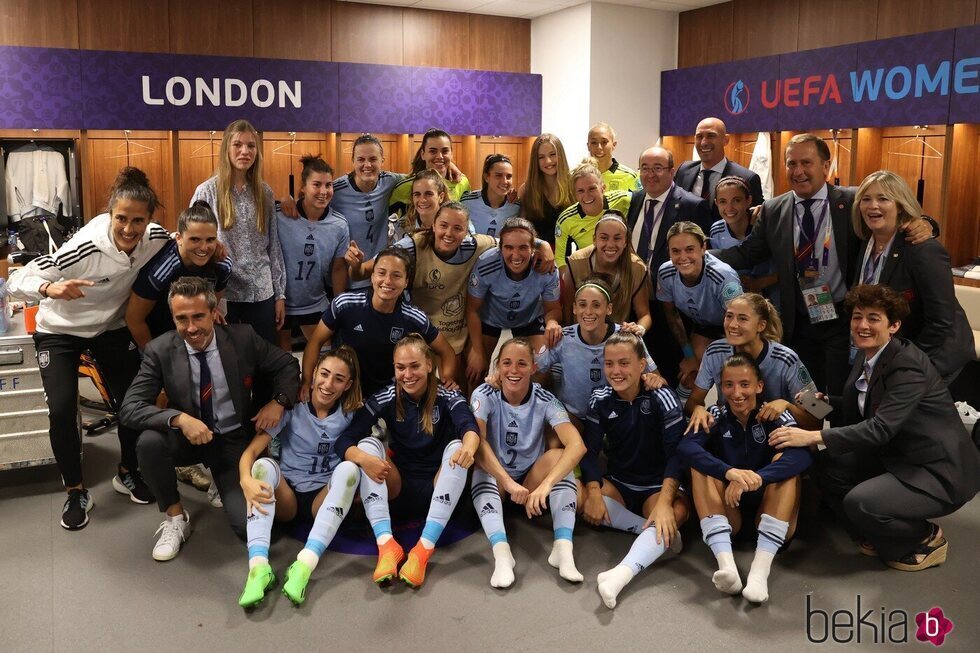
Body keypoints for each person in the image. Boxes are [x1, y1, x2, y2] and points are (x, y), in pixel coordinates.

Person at [770, 285, 980, 571]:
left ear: (894, 325)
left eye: (873, 318)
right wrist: (825, 401)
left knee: (862, 503)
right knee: (824, 466)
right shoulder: (870, 353)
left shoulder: (908, 367)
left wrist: (810, 435)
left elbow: (880, 428)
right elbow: (868, 403)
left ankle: (925, 537)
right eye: (858, 317)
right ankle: (875, 532)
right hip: (899, 454)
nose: (863, 325)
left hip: (939, 469)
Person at [6, 167, 171, 529]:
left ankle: (127, 472)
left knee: (134, 402)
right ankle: (76, 490)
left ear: (149, 220)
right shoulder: (83, 247)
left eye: (137, 221)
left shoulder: (156, 237)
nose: (129, 229)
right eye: (121, 219)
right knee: (63, 409)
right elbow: (15, 280)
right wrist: (50, 290)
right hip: (60, 330)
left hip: (109, 327)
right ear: (110, 214)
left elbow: (184, 239)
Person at [715, 133, 934, 398]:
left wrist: (928, 225)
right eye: (791, 163)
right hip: (798, 324)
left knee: (845, 394)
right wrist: (701, 255)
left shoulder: (853, 201)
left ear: (826, 166)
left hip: (842, 322)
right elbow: (748, 253)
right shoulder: (774, 209)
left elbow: (897, 214)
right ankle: (810, 435)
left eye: (806, 163)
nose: (798, 171)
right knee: (807, 397)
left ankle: (840, 436)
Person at [119, 277, 300, 560]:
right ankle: (176, 518)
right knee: (149, 442)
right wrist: (178, 418)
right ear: (173, 318)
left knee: (250, 529)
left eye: (198, 317)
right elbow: (129, 407)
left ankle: (222, 480)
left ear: (214, 313)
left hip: (232, 440)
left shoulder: (242, 338)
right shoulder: (160, 350)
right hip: (188, 437)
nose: (191, 328)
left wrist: (278, 403)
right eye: (182, 319)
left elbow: (287, 365)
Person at [337, 334, 481, 588]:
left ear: (429, 364)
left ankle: (422, 551)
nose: (407, 374)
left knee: (459, 446)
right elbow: (345, 439)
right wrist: (362, 459)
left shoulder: (448, 395)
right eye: (400, 367)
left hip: (440, 487)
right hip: (399, 489)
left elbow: (468, 425)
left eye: (414, 366)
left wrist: (469, 447)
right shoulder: (386, 397)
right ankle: (386, 545)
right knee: (366, 446)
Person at [678, 354, 812, 603]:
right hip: (731, 518)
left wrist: (757, 478)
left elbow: (802, 457)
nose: (736, 392)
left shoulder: (774, 414)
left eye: (744, 384)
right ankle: (727, 567)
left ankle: (759, 575)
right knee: (700, 466)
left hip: (772, 518)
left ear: (759, 386)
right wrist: (730, 473)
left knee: (785, 463)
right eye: (728, 385)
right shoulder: (714, 414)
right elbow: (686, 448)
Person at [236, 346, 362, 607]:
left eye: (338, 379)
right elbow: (251, 452)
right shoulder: (291, 409)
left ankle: (304, 566)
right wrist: (244, 480)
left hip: (323, 498)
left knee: (350, 470)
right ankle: (259, 568)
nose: (328, 384)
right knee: (263, 466)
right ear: (313, 373)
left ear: (348, 384)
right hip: (288, 497)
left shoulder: (351, 415)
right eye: (324, 374)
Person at [579, 331, 689, 609]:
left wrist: (664, 503)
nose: (616, 371)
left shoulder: (663, 397)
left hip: (657, 485)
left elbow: (677, 455)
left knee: (676, 513)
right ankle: (649, 532)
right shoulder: (600, 398)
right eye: (609, 364)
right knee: (576, 497)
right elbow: (589, 452)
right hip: (619, 484)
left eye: (624, 363)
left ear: (642, 366)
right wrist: (593, 492)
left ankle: (620, 575)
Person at [470, 337, 587, 587]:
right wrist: (507, 482)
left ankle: (563, 549)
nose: (513, 371)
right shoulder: (484, 394)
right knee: (480, 464)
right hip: (499, 481)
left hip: (530, 482)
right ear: (498, 367)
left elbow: (577, 445)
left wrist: (545, 486)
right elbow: (478, 442)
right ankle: (502, 555)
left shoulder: (545, 399)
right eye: (507, 363)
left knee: (558, 457)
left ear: (534, 368)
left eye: (522, 364)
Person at [851, 170, 973, 383]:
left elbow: (942, 322)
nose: (873, 206)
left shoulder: (923, 249)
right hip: (888, 356)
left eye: (883, 198)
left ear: (900, 206)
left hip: (932, 359)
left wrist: (904, 360)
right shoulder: (866, 245)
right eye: (866, 199)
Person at [303, 246, 457, 399]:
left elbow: (446, 351)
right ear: (372, 276)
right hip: (344, 389)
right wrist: (307, 381)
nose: (387, 281)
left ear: (406, 282)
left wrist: (447, 379)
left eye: (396, 275)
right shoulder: (345, 304)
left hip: (388, 395)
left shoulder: (414, 317)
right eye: (381, 273)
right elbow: (315, 342)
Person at [190, 119, 285, 344]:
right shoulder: (206, 192)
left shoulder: (265, 192)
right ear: (226, 149)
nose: (245, 151)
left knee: (263, 358)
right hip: (225, 294)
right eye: (238, 145)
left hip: (261, 292)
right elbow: (191, 246)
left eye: (251, 146)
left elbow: (274, 247)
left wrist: (280, 295)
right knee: (228, 362)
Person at [625, 146, 711, 387]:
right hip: (638, 303)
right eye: (645, 168)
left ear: (672, 171)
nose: (651, 174)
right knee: (638, 371)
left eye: (658, 168)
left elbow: (704, 258)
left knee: (672, 376)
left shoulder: (693, 206)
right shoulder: (634, 200)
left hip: (675, 308)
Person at [537, 275, 663, 429]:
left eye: (596, 305)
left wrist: (654, 380)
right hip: (574, 416)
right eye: (582, 305)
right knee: (555, 441)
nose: (588, 312)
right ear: (574, 308)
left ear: (609, 308)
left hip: (615, 416)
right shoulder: (562, 337)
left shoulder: (626, 337)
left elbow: (658, 378)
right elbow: (533, 370)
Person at [685, 293, 820, 431]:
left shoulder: (787, 359)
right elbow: (693, 401)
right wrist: (698, 409)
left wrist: (787, 406)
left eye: (742, 319)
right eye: (729, 316)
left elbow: (817, 416)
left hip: (778, 434)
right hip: (733, 434)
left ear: (761, 326)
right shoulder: (714, 352)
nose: (732, 325)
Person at [465, 217, 561, 388]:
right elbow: (472, 309)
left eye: (523, 247)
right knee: (474, 371)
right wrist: (478, 352)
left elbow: (552, 308)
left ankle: (528, 409)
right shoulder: (486, 264)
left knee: (541, 368)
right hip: (490, 318)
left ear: (533, 249)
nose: (515, 255)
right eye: (509, 248)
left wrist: (552, 322)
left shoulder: (545, 267)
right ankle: (475, 412)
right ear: (500, 248)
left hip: (529, 317)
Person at [126, 201, 232, 350]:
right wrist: (153, 357)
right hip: (159, 337)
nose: (203, 247)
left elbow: (210, 305)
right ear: (179, 238)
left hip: (195, 339)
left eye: (210, 240)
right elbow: (134, 319)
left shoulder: (222, 264)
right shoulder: (160, 269)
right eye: (195, 239)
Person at [657, 222, 743, 401]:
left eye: (690, 249)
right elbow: (672, 316)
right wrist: (689, 356)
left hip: (737, 328)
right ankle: (680, 418)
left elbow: (741, 321)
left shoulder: (723, 277)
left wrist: (718, 355)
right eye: (676, 251)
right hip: (704, 325)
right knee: (690, 374)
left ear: (703, 247)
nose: (683, 257)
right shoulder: (666, 273)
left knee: (731, 377)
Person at [275, 155, 349, 348]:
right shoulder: (280, 216)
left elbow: (339, 269)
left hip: (314, 302)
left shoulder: (339, 225)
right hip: (280, 302)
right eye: (316, 185)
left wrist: (339, 306)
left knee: (324, 354)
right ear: (303, 187)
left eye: (329, 185)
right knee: (284, 359)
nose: (323, 191)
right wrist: (283, 198)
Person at [329, 134, 404, 289]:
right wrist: (287, 202)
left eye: (373, 159)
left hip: (380, 280)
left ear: (382, 160)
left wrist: (449, 166)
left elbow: (422, 177)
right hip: (347, 280)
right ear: (353, 161)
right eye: (361, 159)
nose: (367, 165)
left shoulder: (390, 180)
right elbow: (308, 200)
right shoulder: (336, 189)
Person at [561, 211, 652, 329]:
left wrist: (638, 329)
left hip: (617, 339)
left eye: (617, 238)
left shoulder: (636, 267)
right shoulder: (577, 262)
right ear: (594, 239)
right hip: (581, 335)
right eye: (604, 238)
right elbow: (567, 308)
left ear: (625, 242)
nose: (610, 244)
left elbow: (644, 314)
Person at [674, 117, 764, 220]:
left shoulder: (747, 178)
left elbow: (756, 220)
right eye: (699, 137)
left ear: (725, 140)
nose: (704, 142)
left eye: (711, 136)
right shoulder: (683, 170)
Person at [708, 176, 777, 301]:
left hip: (775, 295)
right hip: (739, 298)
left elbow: (788, 266)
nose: (729, 208)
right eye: (723, 201)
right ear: (716, 203)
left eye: (736, 200)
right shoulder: (716, 231)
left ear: (748, 201)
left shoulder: (765, 225)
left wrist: (759, 283)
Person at [554, 159, 632, 266]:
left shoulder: (623, 199)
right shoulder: (565, 220)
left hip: (624, 267)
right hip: (590, 274)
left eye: (592, 189)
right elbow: (560, 259)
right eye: (580, 191)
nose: (587, 196)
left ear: (603, 188)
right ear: (574, 194)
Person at [389, 128, 470, 216]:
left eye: (445, 151)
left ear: (451, 154)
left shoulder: (462, 182)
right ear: (423, 154)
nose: (440, 156)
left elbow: (466, 219)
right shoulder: (404, 188)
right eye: (433, 151)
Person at [519, 133, 574, 249]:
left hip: (565, 261)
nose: (548, 161)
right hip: (535, 258)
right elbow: (522, 230)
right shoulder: (526, 189)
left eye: (552, 154)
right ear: (535, 161)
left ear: (561, 156)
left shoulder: (573, 186)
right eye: (541, 157)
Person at [462, 153, 520, 237]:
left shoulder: (516, 206)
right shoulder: (467, 201)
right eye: (498, 176)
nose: (504, 181)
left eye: (509, 176)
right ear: (486, 177)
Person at [391, 169, 448, 240]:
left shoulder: (453, 225)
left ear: (441, 197)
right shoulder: (401, 227)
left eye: (428, 194)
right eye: (417, 194)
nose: (422, 200)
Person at [587, 122, 639, 192]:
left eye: (604, 142)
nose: (599, 147)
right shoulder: (579, 176)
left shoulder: (630, 176)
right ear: (588, 146)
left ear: (614, 145)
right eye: (594, 142)